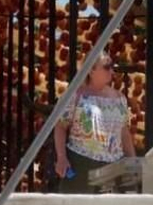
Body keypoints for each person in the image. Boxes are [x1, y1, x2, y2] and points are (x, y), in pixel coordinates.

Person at [54, 55, 134, 193]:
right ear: (91, 70)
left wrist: (133, 162)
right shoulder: (75, 94)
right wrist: (61, 157)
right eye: (106, 67)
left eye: (112, 67)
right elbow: (61, 126)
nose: (112, 71)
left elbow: (124, 132)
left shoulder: (120, 98)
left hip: (112, 166)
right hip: (81, 163)